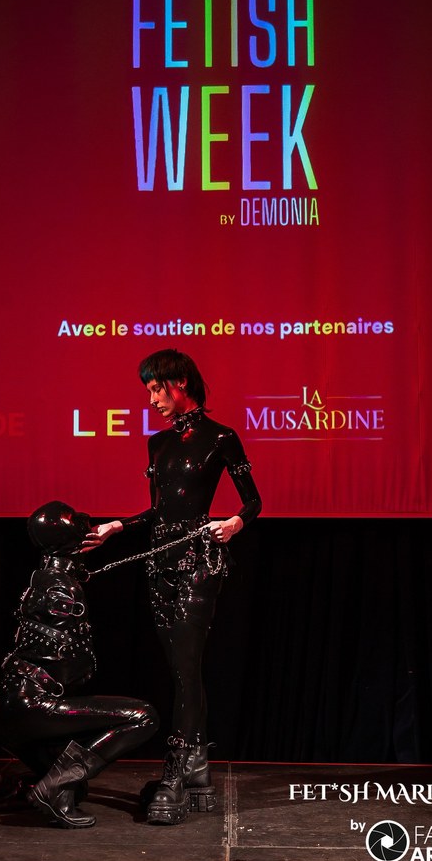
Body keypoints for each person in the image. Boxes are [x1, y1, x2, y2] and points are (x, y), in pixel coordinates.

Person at [84, 349, 261, 825]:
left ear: (180, 382)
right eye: (147, 391)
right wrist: (117, 526)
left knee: (185, 669)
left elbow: (253, 501)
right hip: (159, 565)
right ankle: (196, 767)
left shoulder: (221, 438)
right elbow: (159, 513)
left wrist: (234, 523)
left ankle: (178, 769)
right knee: (181, 671)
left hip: (198, 563)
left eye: (155, 389)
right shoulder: (157, 444)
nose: (151, 399)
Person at [0, 499, 159, 829]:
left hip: (9, 711)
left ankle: (54, 785)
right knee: (143, 716)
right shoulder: (58, 586)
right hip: (32, 707)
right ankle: (53, 789)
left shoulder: (44, 578)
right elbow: (75, 665)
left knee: (77, 786)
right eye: (82, 527)